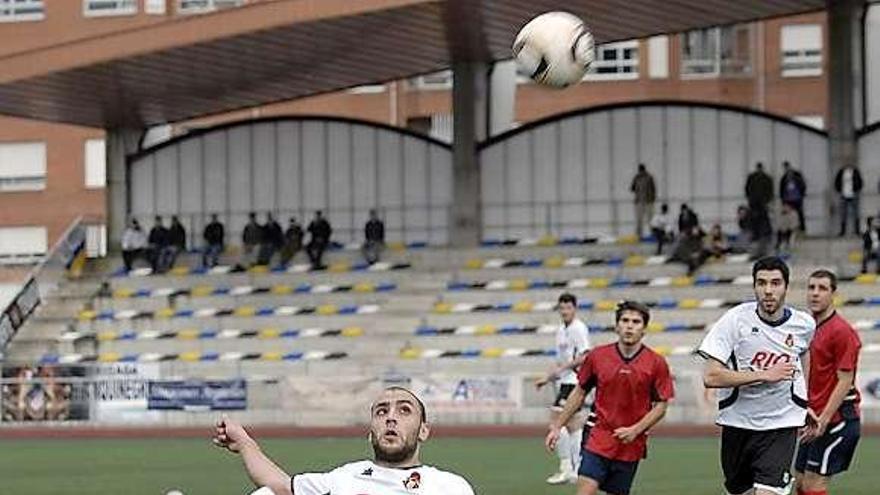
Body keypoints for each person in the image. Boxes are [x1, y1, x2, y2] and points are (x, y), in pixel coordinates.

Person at [213, 386, 475, 495]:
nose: (390, 418)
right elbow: (279, 485)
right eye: (381, 412)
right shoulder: (344, 478)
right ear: (371, 431)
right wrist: (245, 442)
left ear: (423, 431)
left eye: (404, 410)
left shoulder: (450, 487)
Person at [698, 256, 816, 495]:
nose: (768, 291)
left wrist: (804, 402)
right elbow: (711, 377)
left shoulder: (804, 324)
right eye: (762, 283)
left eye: (775, 283)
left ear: (786, 286)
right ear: (754, 287)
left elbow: (803, 355)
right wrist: (764, 375)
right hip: (738, 424)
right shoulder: (734, 320)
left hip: (781, 424)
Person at [546, 300, 674, 495]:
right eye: (625, 320)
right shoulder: (597, 356)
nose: (630, 326)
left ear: (644, 329)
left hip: (631, 443)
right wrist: (558, 426)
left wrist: (635, 429)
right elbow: (580, 392)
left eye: (636, 322)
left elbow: (661, 406)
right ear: (617, 326)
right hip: (598, 436)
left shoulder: (656, 363)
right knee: (585, 491)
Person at [795, 269, 862, 495]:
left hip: (837, 420)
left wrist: (823, 419)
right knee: (800, 482)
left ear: (833, 294)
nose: (815, 293)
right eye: (811, 287)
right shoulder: (808, 329)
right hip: (815, 419)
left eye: (822, 288)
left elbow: (845, 381)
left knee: (814, 485)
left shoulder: (842, 331)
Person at [535, 293, 591, 485]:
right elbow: (560, 359)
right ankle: (576, 469)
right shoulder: (561, 330)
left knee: (556, 420)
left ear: (574, 309)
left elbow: (585, 355)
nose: (565, 312)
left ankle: (567, 468)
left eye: (568, 308)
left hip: (574, 380)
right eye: (562, 308)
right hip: (564, 380)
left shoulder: (578, 328)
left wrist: (562, 370)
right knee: (573, 425)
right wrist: (549, 377)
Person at [834, 164, 863, 236]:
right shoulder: (841, 171)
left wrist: (857, 189)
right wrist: (839, 190)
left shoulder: (855, 171)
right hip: (843, 195)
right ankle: (843, 231)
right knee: (843, 213)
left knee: (856, 213)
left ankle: (857, 230)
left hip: (854, 194)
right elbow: (837, 181)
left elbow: (860, 181)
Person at [630, 164, 656, 238]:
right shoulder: (636, 177)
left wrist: (652, 199)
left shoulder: (649, 177)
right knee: (639, 219)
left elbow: (653, 189)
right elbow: (632, 188)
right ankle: (639, 235)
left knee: (650, 219)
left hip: (648, 201)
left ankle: (653, 234)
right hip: (639, 201)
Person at [779, 161, 807, 232]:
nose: (786, 169)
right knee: (791, 214)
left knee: (798, 213)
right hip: (791, 198)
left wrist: (802, 194)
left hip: (794, 198)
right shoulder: (785, 177)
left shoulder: (791, 176)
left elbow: (802, 185)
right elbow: (782, 189)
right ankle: (793, 228)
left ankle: (800, 228)